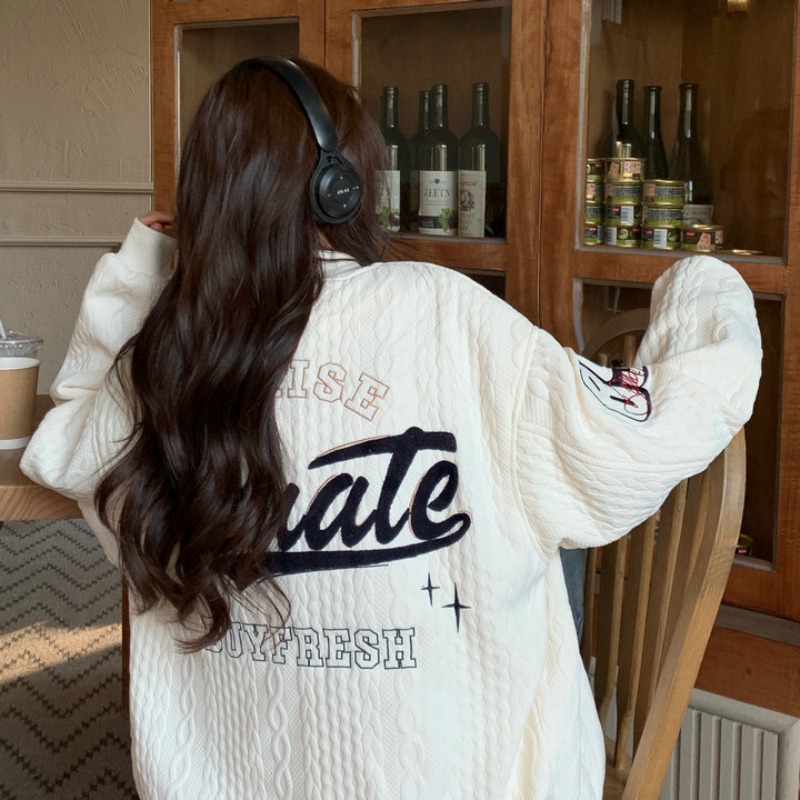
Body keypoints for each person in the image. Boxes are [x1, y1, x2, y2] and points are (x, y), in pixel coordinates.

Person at [21, 56, 761, 799]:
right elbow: (648, 432)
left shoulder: (167, 356)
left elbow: (65, 446)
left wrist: (141, 268)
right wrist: (703, 284)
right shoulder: (443, 315)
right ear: (340, 187)